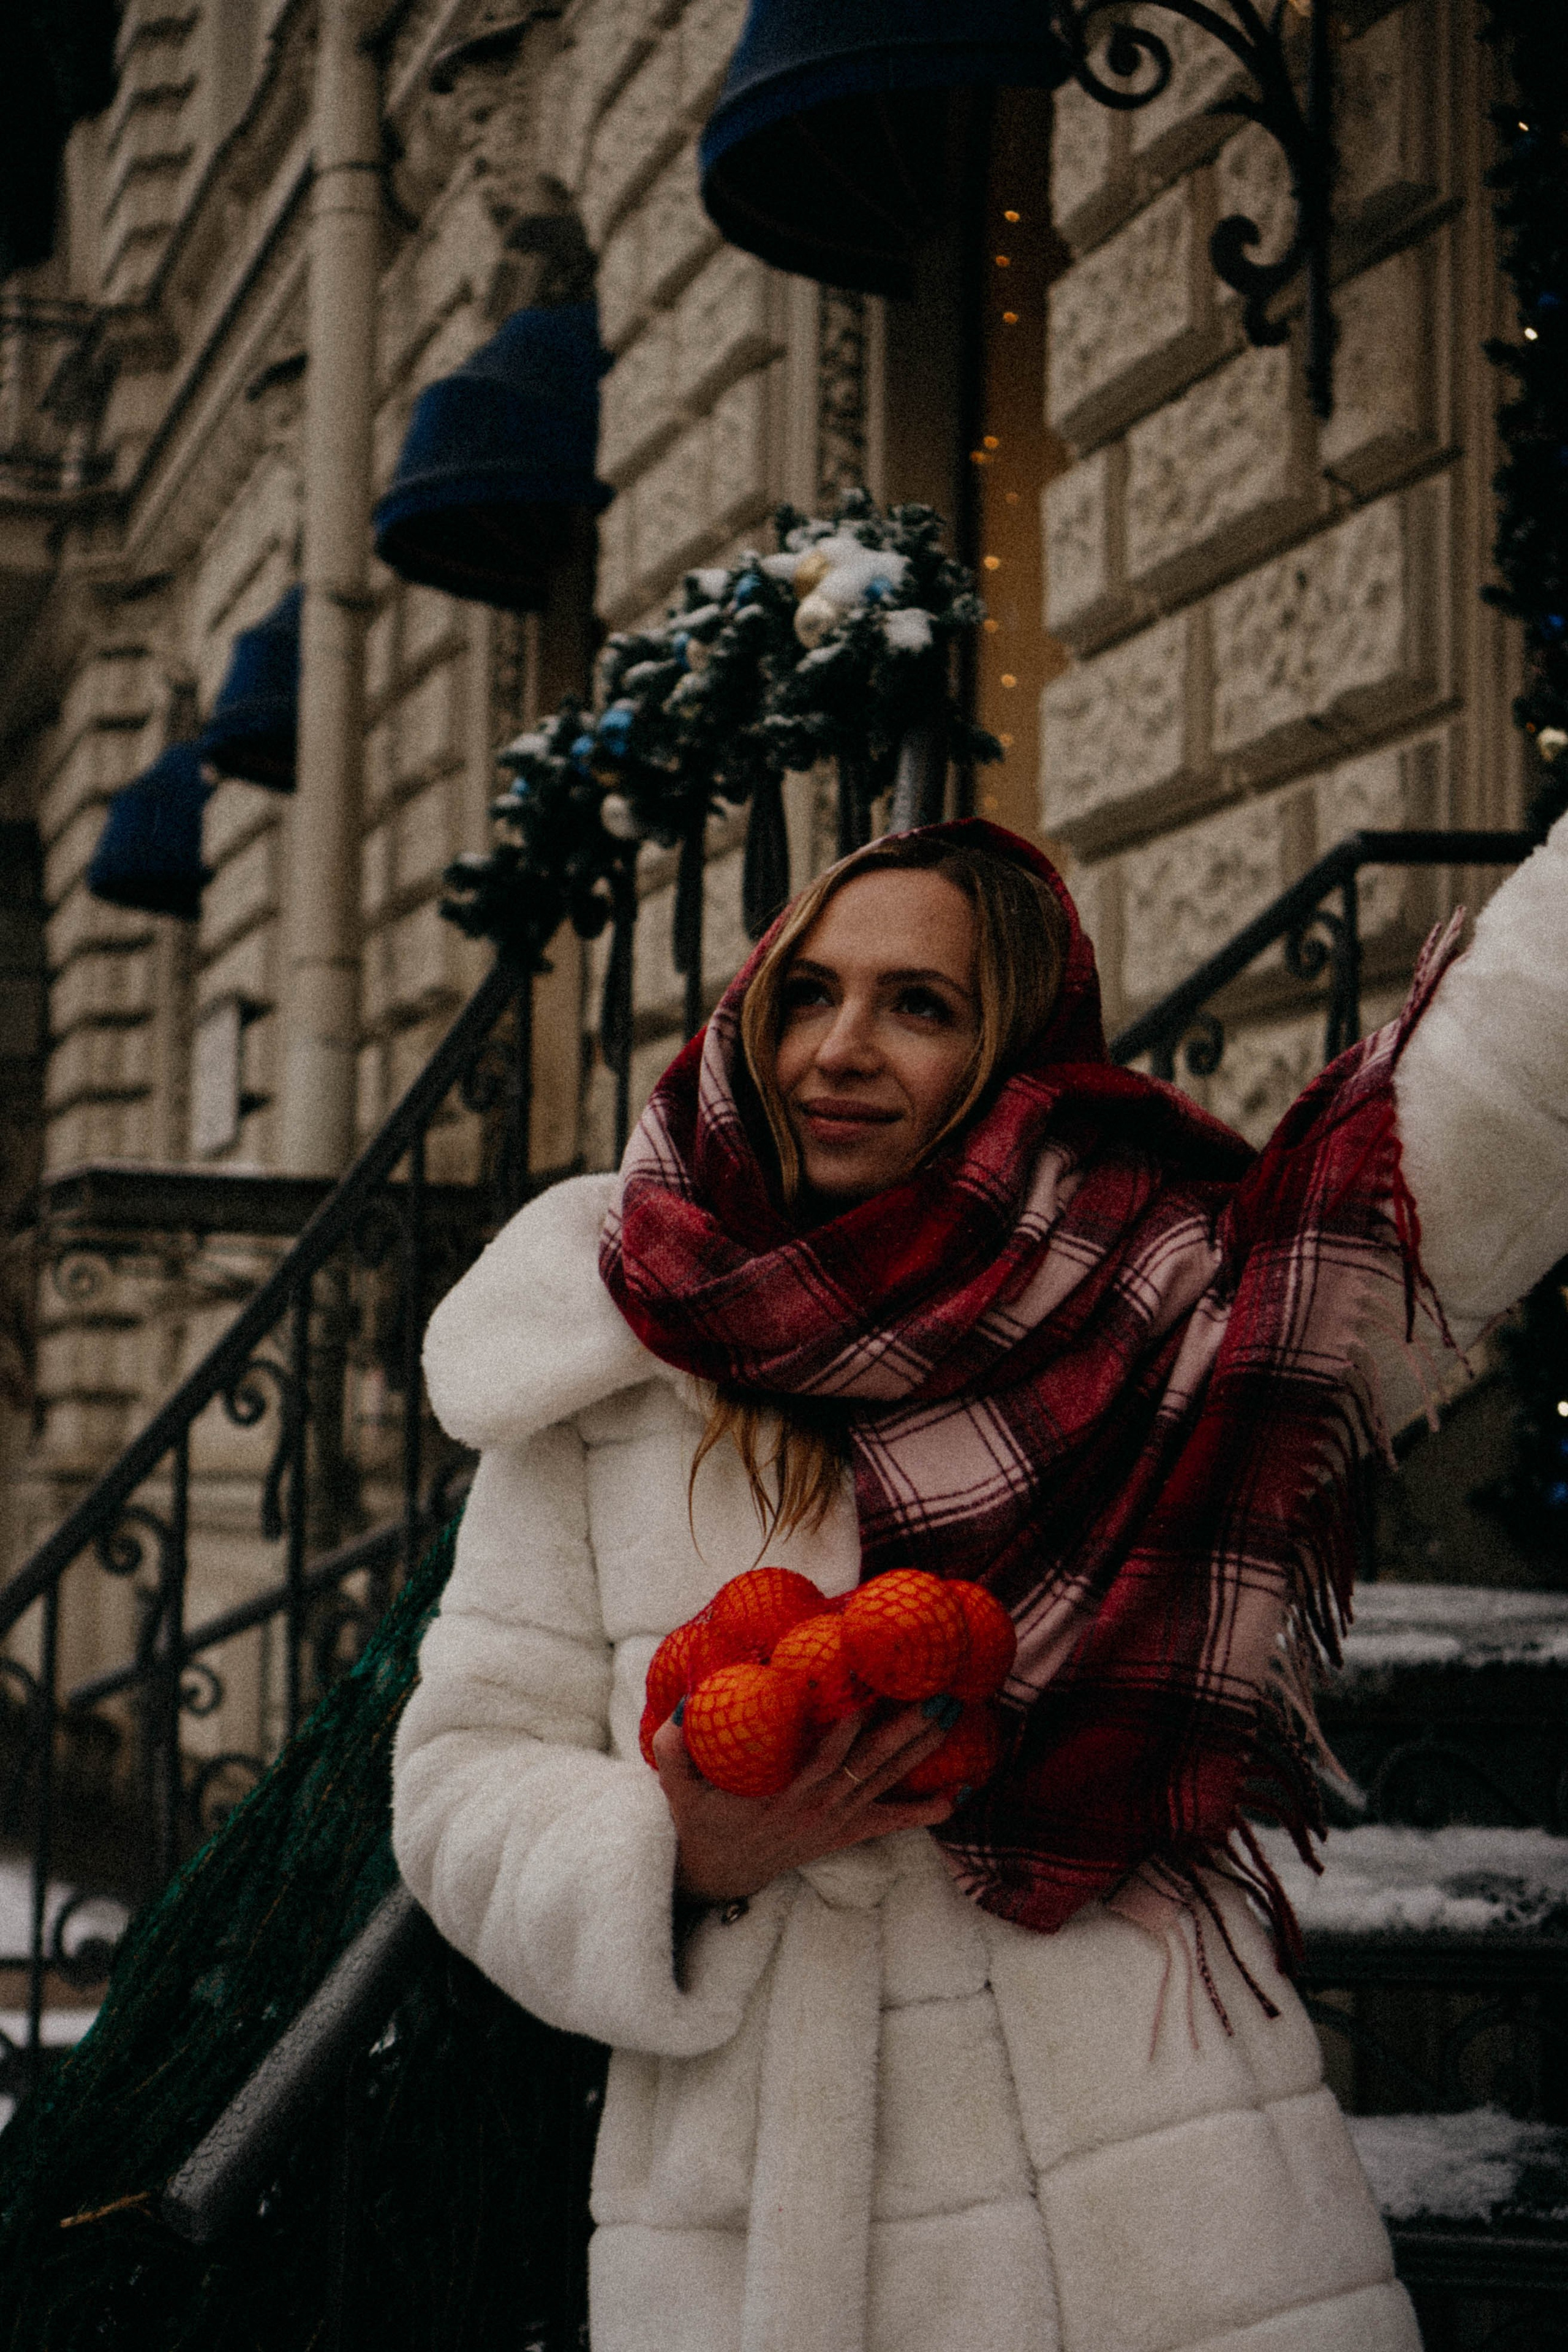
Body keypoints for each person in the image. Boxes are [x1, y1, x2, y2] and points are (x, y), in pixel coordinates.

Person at [392, 815, 1568, 2352]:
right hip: (773, 2235)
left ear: (1015, 1051)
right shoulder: (615, 1358)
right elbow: (458, 1771)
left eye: (919, 1005)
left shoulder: (1172, 1308)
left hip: (1160, 2212)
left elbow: (1470, 1134)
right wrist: (679, 1850)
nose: (839, 1048)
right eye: (804, 995)